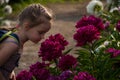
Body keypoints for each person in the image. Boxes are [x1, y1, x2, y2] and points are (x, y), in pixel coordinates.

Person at [0, 3, 53, 80]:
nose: (43, 37)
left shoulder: (17, 40)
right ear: (26, 26)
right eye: (40, 32)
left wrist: (11, 71)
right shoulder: (12, 44)